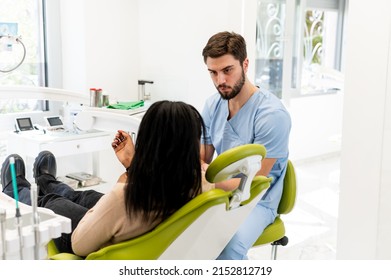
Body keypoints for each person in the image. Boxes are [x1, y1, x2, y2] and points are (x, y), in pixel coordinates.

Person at [1, 100, 206, 257]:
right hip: (136, 223)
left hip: (94, 239)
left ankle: (15, 188)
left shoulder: (122, 196)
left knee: (52, 202)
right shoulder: (199, 183)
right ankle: (47, 181)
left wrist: (122, 184)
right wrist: (132, 165)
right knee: (82, 196)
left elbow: (79, 244)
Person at [201, 31, 291, 260]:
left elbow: (253, 183)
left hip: (258, 200)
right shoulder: (213, 106)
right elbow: (201, 158)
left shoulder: (272, 115)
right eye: (213, 72)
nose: (220, 80)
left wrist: (204, 180)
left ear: (245, 64)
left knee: (227, 246)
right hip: (222, 191)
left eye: (227, 70)